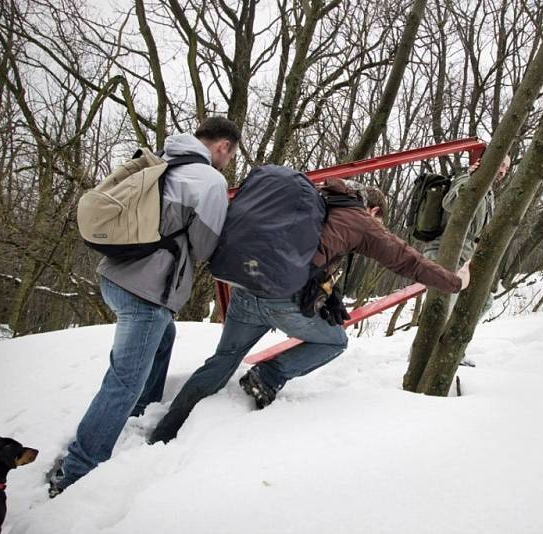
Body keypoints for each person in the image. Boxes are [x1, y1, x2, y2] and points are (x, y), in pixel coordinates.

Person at [148, 178, 469, 444]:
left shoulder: (316, 196)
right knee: (334, 341)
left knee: (222, 360)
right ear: (373, 210)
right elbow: (407, 260)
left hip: (245, 289)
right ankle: (267, 376)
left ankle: (164, 432)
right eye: (379, 220)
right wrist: (455, 282)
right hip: (282, 301)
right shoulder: (361, 221)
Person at [48, 117, 241, 496]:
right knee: (123, 381)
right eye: (231, 155)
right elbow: (203, 248)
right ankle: (77, 468)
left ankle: (141, 410)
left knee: (163, 337)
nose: (229, 163)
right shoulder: (209, 180)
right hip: (146, 293)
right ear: (223, 147)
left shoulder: (164, 159)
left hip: (115, 277)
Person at [421, 155, 510, 366]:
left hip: (467, 255)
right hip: (445, 251)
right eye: (500, 164)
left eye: (506, 167)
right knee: (443, 306)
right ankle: (424, 357)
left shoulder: (489, 193)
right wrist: (469, 178)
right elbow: (450, 203)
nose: (503, 171)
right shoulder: (468, 178)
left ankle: (452, 349)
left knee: (484, 301)